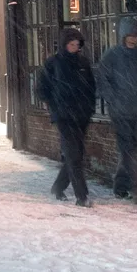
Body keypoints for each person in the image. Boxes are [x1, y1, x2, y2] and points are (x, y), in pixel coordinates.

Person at [95, 16, 137, 202]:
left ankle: (120, 186)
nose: (133, 39)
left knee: (129, 148)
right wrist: (113, 100)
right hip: (120, 110)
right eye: (130, 35)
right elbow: (102, 79)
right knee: (127, 148)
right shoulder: (112, 56)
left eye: (135, 35)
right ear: (123, 36)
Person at [36, 26, 96, 206]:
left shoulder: (83, 63)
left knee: (75, 154)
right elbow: (41, 89)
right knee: (74, 154)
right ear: (64, 44)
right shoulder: (53, 63)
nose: (75, 47)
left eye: (77, 44)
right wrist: (55, 106)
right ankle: (82, 195)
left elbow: (90, 87)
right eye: (71, 44)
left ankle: (58, 186)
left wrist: (89, 106)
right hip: (64, 115)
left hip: (81, 115)